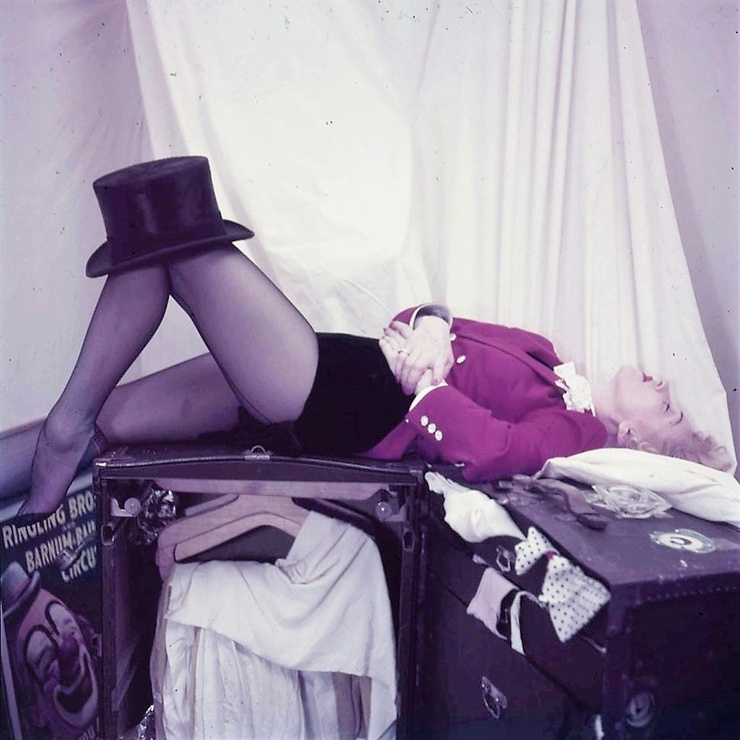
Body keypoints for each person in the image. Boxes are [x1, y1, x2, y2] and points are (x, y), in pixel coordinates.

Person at [11, 156, 730, 515]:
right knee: (113, 417)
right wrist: (433, 326)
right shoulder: (547, 355)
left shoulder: (577, 432)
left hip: (350, 401)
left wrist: (430, 383)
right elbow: (431, 315)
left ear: (634, 440)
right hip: (331, 367)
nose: (663, 383)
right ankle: (62, 439)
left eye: (666, 408)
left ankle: (62, 433)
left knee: (182, 245)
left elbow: (489, 451)